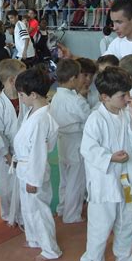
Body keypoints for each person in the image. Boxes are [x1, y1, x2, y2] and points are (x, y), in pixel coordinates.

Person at [80, 67, 132, 261]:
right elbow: (88, 149)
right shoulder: (96, 119)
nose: (128, 99)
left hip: (126, 179)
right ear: (104, 97)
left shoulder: (126, 113)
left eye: (128, 93)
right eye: (122, 95)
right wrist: (110, 158)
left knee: (128, 221)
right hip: (105, 182)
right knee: (100, 226)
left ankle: (125, 257)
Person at [13, 66, 62, 261]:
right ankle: (34, 239)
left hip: (34, 170)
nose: (20, 98)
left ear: (33, 94)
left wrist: (34, 179)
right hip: (25, 167)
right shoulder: (34, 110)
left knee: (39, 210)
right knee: (28, 208)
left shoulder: (42, 118)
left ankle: (51, 249)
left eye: (22, 95)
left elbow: (39, 152)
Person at [50, 59, 90, 224]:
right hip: (76, 141)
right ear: (73, 78)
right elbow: (89, 119)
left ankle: (62, 208)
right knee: (76, 179)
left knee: (65, 178)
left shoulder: (56, 97)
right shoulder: (76, 100)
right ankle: (71, 215)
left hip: (62, 141)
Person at [0, 59, 27, 225]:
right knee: (7, 185)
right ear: (12, 80)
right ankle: (7, 214)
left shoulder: (24, 97)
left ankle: (23, 214)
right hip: (7, 153)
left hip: (24, 151)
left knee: (25, 185)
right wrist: (7, 155)